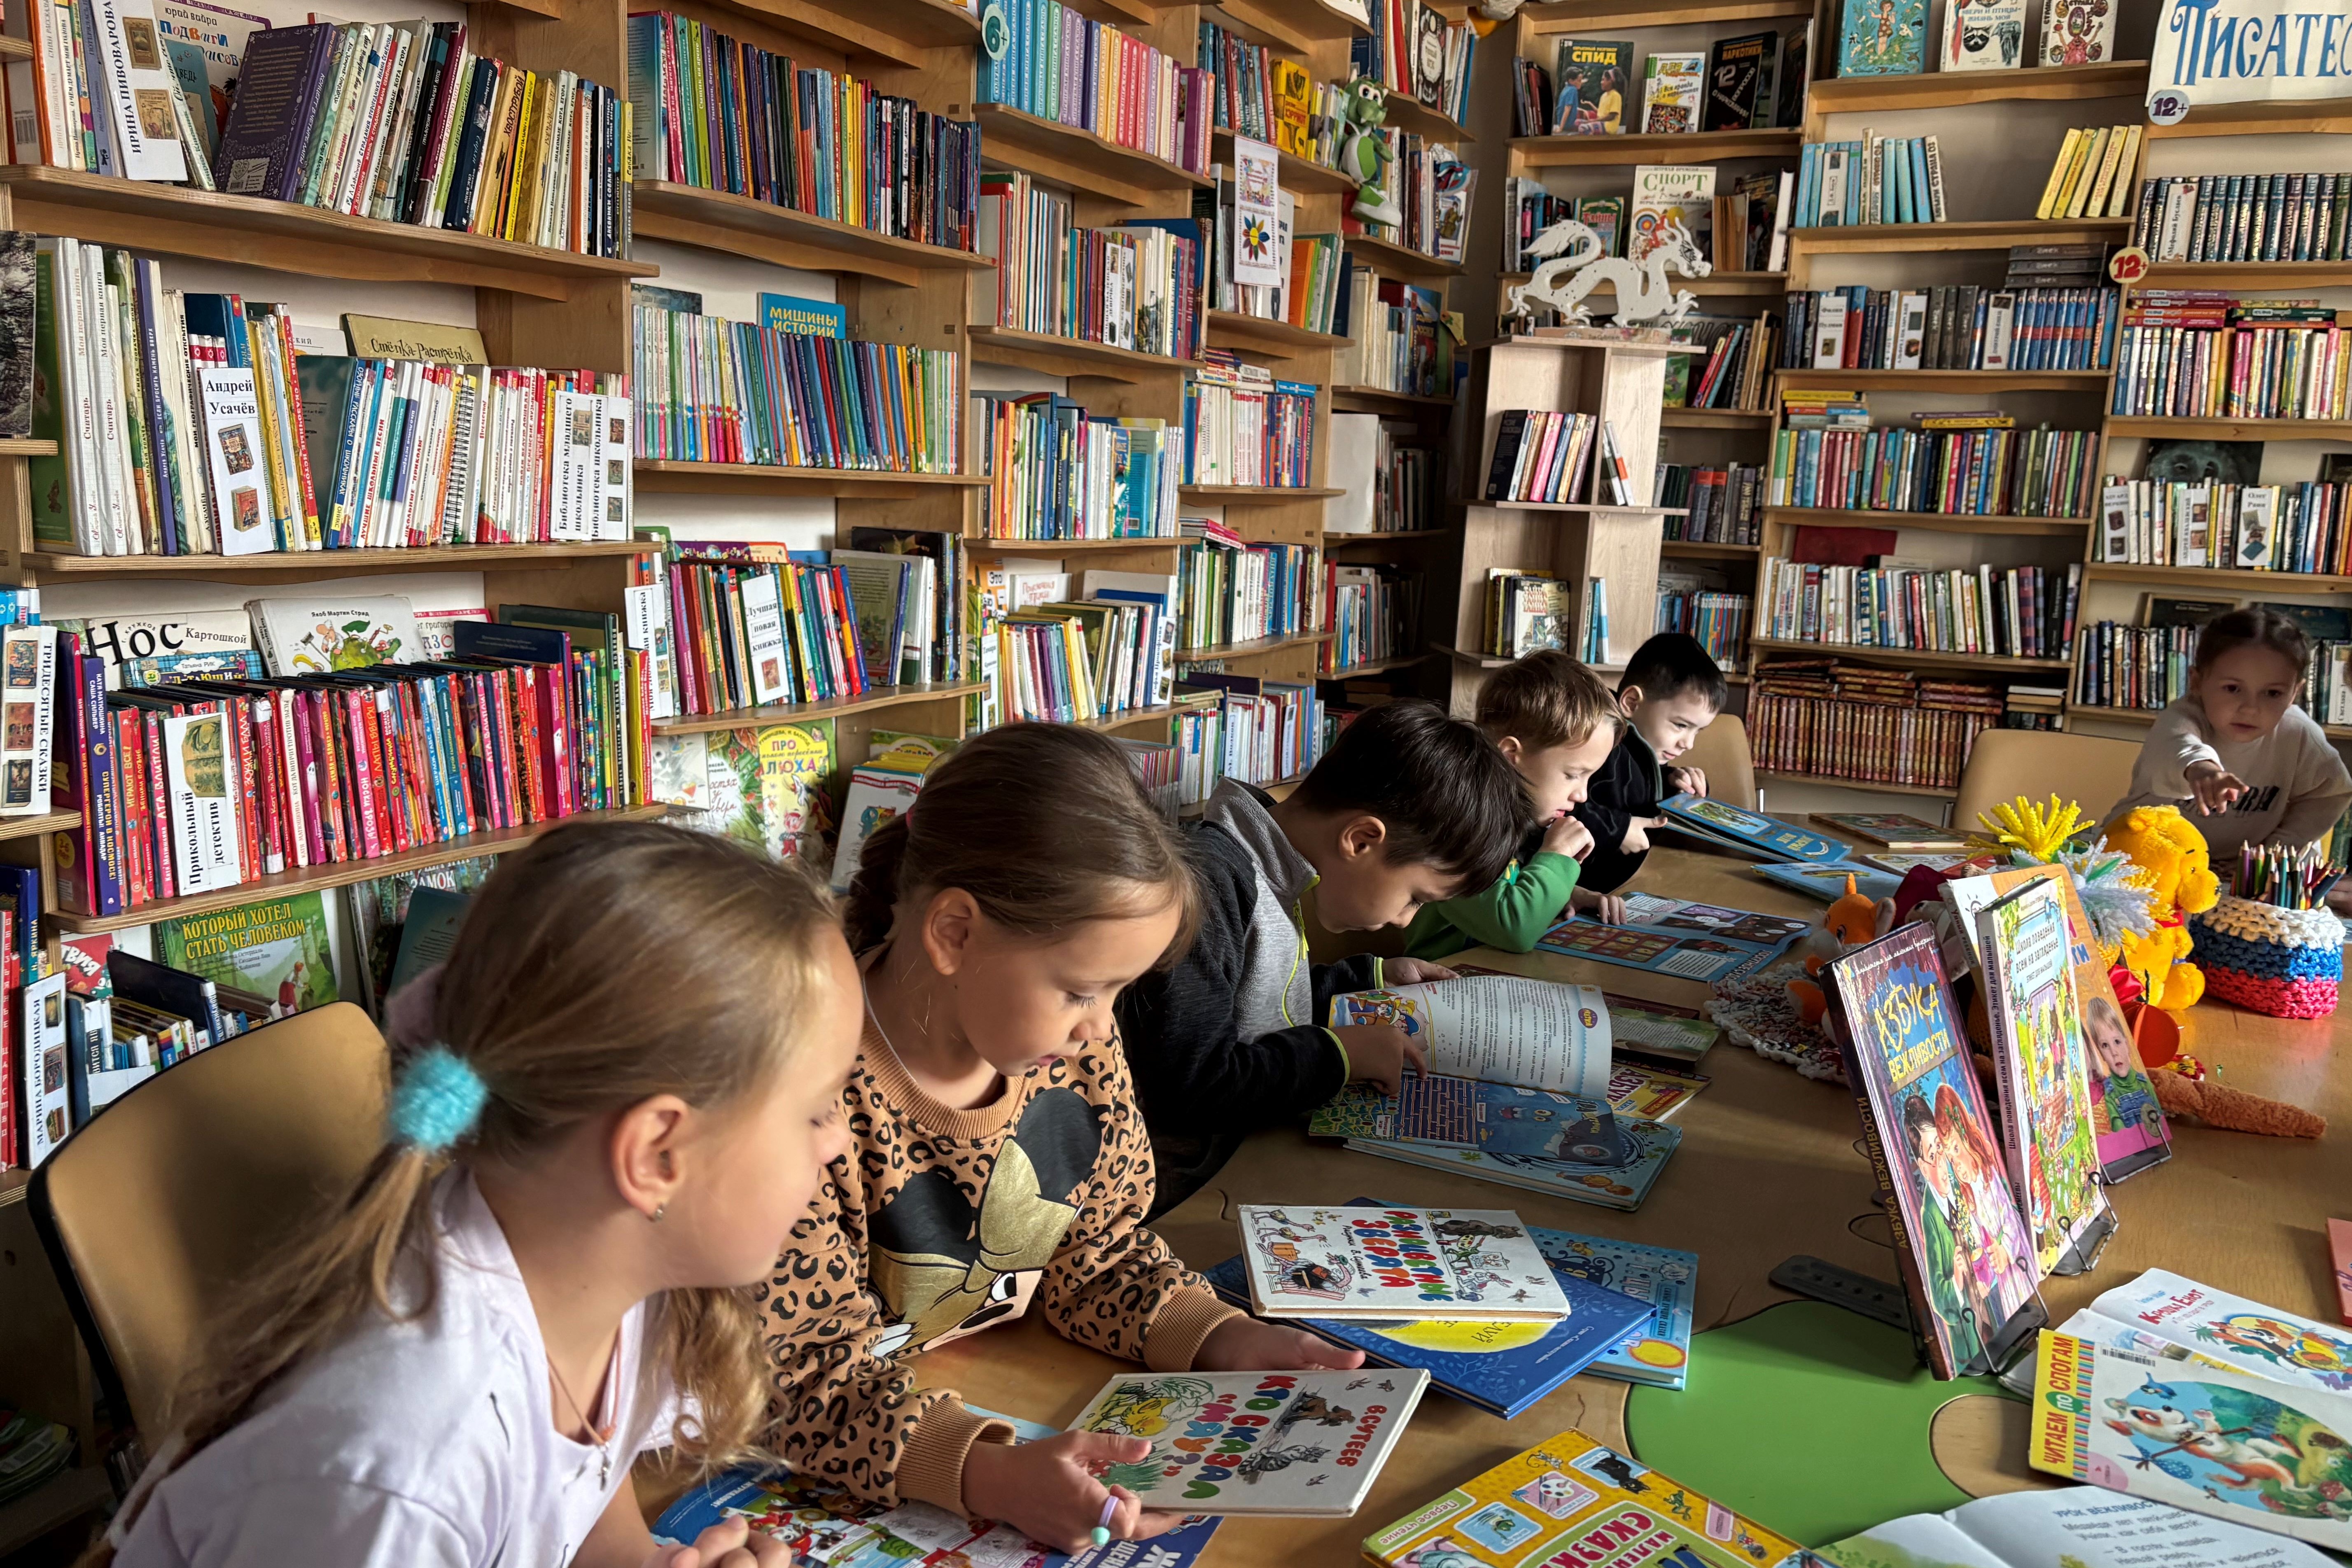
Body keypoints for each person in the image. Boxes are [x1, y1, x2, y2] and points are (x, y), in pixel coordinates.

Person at [112, 821, 861, 1568]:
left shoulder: (603, 1272)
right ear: (656, 1154)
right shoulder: (402, 1475)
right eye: (819, 1110)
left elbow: (582, 1509)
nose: (839, 1142)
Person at [765, 725, 1363, 1557]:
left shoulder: (1069, 1052)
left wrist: (1222, 1336)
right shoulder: (802, 1098)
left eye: (1118, 992)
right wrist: (990, 1473)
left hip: (988, 1388)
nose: (1101, 1025)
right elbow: (797, 1380)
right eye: (1082, 990)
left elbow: (1098, 1252)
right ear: (955, 933)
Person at [1117, 700, 1528, 1194]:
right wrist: (1339, 1056)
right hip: (1188, 1188)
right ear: (1361, 840)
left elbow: (1254, 998)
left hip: (1250, 1154)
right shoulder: (1210, 887)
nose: (1405, 919)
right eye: (1416, 898)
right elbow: (1194, 1088)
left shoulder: (1268, 869)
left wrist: (1368, 979)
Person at [1403, 649, 1625, 960]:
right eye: (1573, 775)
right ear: (1510, 757)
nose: (1582, 795)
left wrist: (1566, 896)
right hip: (1445, 976)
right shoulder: (1457, 824)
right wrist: (1557, 856)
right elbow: (1513, 928)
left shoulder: (1518, 817)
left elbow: (1509, 885)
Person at [2111, 608, 2352, 867]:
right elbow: (2178, 745)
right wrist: (2202, 769)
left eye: (2273, 693)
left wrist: (2280, 846)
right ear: (2197, 682)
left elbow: (2330, 793)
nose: (2250, 708)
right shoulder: (2182, 716)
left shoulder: (2299, 733)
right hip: (2145, 856)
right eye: (2233, 688)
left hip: (2233, 867)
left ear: (2295, 693)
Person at [1574, 633, 1728, 894]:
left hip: (1635, 884)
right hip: (1583, 891)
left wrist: (1675, 786)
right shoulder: (1594, 739)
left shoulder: (1645, 750)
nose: (1688, 744)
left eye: (1697, 731)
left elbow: (1639, 797)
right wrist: (1617, 829)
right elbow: (1554, 808)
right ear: (1632, 703)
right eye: (1681, 726)